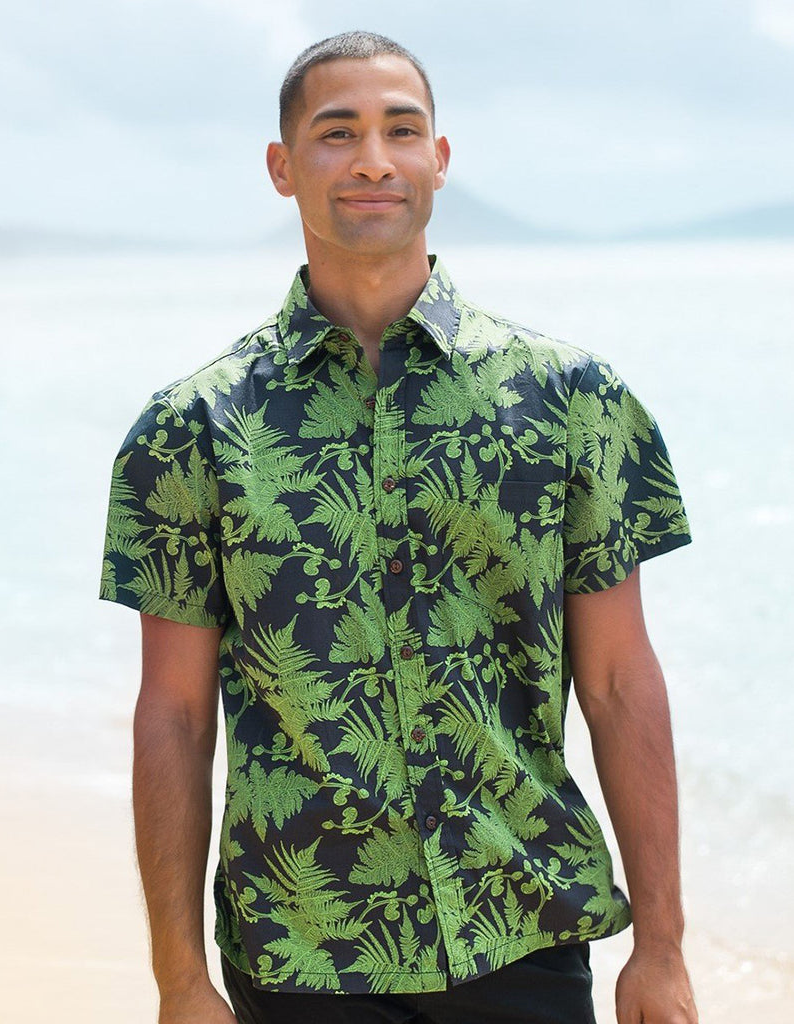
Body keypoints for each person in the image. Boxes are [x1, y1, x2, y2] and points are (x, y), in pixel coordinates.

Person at [99, 29, 699, 1024]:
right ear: (283, 168)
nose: (373, 157)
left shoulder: (572, 401)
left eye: (400, 129)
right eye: (338, 133)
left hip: (524, 930)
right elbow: (171, 714)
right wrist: (179, 979)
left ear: (440, 159)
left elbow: (620, 680)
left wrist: (663, 947)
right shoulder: (191, 431)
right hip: (299, 950)